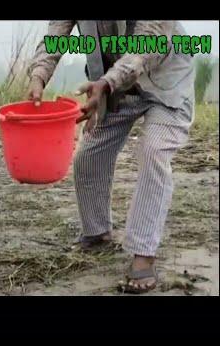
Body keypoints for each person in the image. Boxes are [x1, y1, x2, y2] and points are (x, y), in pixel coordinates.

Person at [27, 20, 195, 293]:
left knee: (153, 151)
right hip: (116, 88)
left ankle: (143, 253)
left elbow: (147, 46)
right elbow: (54, 39)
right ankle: (97, 232)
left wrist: (106, 83)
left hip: (166, 83)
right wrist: (38, 76)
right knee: (89, 155)